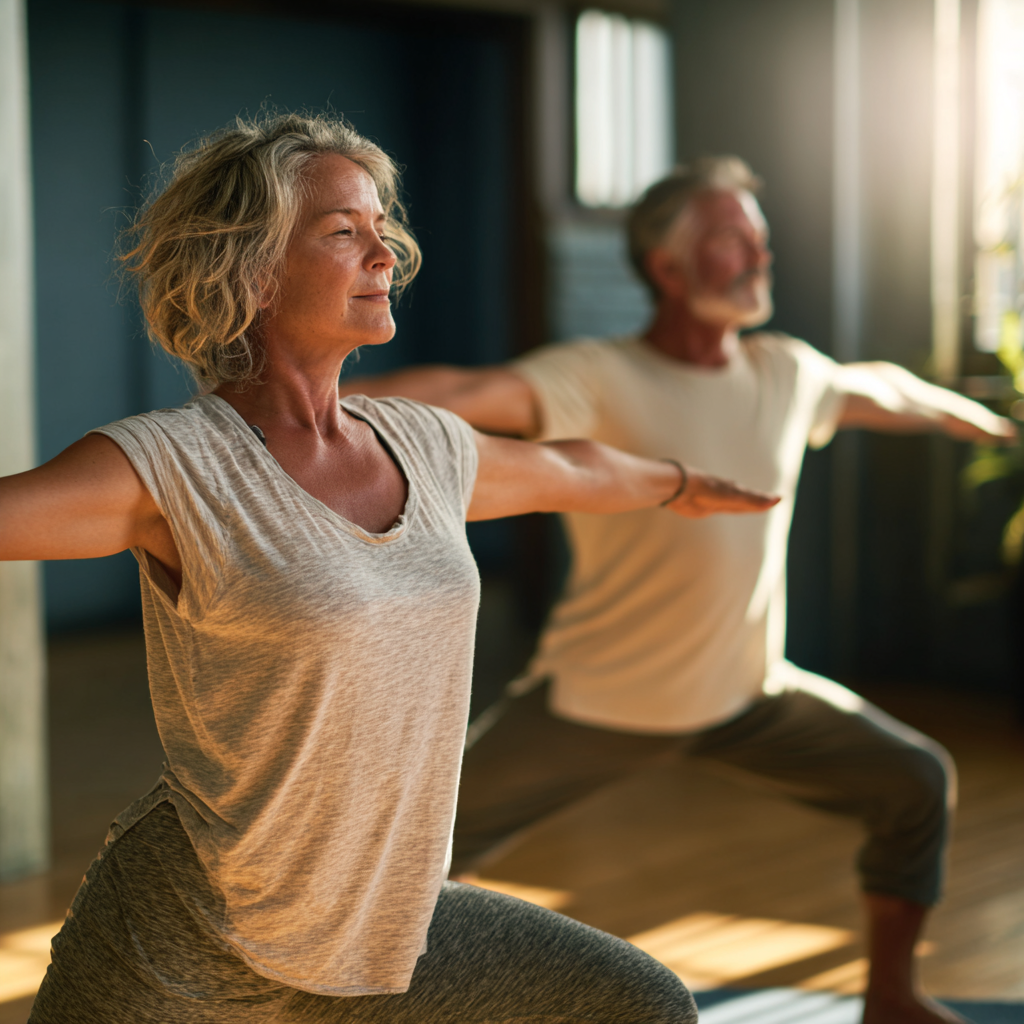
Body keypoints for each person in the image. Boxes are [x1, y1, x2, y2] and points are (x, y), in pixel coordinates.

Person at [0, 117, 780, 1023]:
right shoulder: (172, 469)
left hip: (378, 938)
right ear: (249, 268)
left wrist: (679, 482)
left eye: (381, 227)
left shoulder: (423, 444)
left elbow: (572, 468)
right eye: (344, 232)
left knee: (641, 1005)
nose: (385, 254)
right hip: (185, 949)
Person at [340, 156, 1018, 1024]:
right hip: (600, 701)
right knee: (410, 846)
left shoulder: (785, 372)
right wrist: (313, 410)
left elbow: (877, 386)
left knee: (916, 782)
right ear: (667, 266)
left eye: (760, 240)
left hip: (751, 694)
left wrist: (970, 415)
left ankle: (891, 997)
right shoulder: (596, 375)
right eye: (732, 240)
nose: (759, 257)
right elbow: (461, 394)